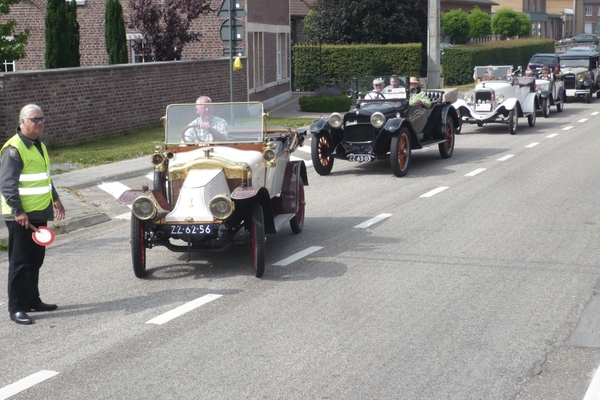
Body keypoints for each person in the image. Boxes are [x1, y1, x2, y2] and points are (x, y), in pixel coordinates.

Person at [0, 104, 65, 325]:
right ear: (22, 122)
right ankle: (16, 307)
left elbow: (45, 178)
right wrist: (18, 211)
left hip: (39, 212)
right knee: (19, 262)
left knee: (35, 260)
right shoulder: (14, 149)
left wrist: (56, 199)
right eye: (34, 119)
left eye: (41, 118)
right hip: (20, 216)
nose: (39, 122)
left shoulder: (39, 146)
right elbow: (7, 185)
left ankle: (32, 300)